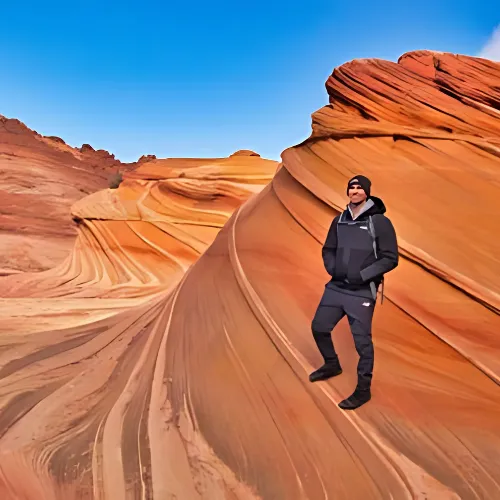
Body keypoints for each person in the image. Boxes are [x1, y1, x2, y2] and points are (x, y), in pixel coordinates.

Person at [309, 175, 399, 410]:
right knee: (319, 327)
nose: (355, 191)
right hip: (336, 287)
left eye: (359, 187)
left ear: (367, 192)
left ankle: (363, 391)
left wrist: (363, 275)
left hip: (361, 293)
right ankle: (332, 364)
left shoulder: (379, 222)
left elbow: (390, 258)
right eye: (352, 187)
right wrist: (332, 268)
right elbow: (328, 248)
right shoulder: (339, 220)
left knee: (362, 344)